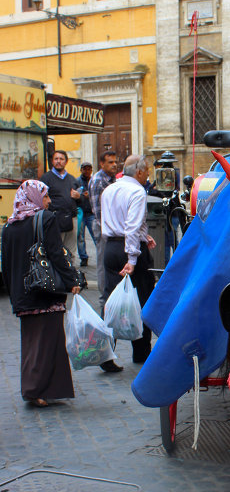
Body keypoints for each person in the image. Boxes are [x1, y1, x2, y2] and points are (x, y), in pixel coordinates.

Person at [1, 180, 81, 407]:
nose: (48, 201)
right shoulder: (45, 219)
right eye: (45, 197)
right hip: (44, 291)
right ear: (35, 198)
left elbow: (6, 264)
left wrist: (14, 293)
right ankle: (34, 389)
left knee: (33, 343)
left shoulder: (10, 226)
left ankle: (44, 388)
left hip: (23, 294)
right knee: (47, 342)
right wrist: (72, 280)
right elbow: (56, 254)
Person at [101, 155, 156, 368]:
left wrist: (144, 236)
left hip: (111, 248)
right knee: (142, 299)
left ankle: (105, 354)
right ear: (139, 172)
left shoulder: (110, 189)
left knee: (110, 300)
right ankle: (141, 352)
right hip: (129, 251)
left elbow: (110, 221)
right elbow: (131, 226)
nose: (148, 175)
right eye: (147, 171)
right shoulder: (137, 191)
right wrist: (132, 258)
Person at [40, 150, 81, 264]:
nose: (58, 161)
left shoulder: (72, 179)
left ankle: (70, 276)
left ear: (66, 161)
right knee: (56, 250)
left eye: (61, 159)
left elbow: (82, 200)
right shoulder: (46, 178)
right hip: (55, 219)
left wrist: (79, 197)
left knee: (71, 252)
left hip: (71, 219)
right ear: (52, 161)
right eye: (56, 159)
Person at [89, 151, 118, 309]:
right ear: (102, 164)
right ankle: (103, 298)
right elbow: (97, 210)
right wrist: (107, 230)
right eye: (110, 162)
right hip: (103, 228)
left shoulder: (113, 179)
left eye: (115, 162)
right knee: (102, 262)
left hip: (113, 227)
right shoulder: (98, 181)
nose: (114, 165)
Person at [76, 162, 96, 267]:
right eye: (85, 169)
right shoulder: (77, 181)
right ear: (81, 170)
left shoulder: (94, 181)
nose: (87, 171)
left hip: (91, 212)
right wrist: (81, 196)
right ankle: (83, 257)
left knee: (95, 235)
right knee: (80, 236)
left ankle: (99, 254)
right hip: (80, 212)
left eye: (89, 169)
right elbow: (74, 195)